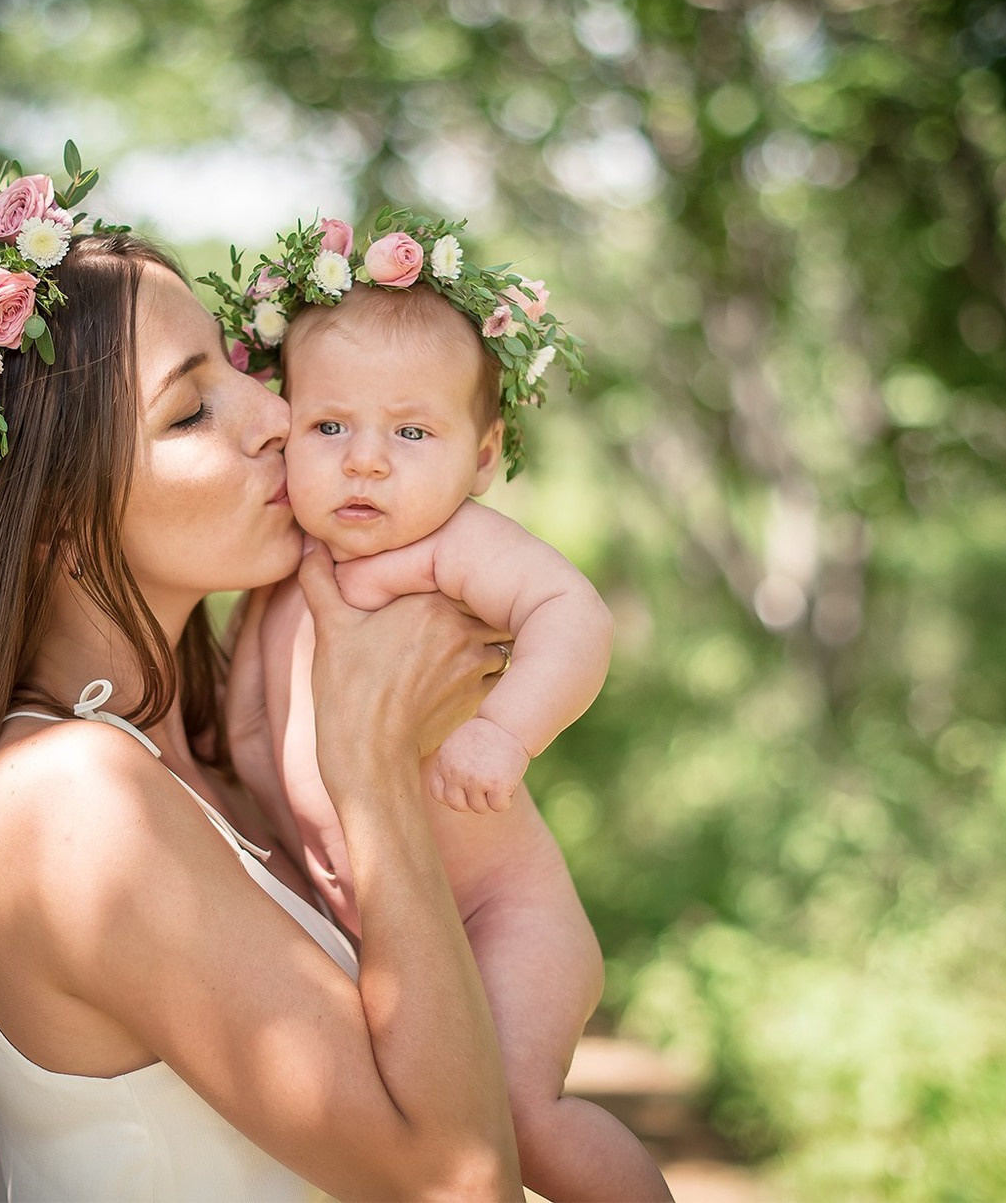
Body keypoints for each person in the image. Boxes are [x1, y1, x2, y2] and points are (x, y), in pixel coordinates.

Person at [0, 151, 522, 1201]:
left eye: (235, 369)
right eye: (190, 412)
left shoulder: (210, 760)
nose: (276, 415)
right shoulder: (71, 801)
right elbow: (458, 1181)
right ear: (53, 512)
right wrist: (368, 767)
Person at [208, 214, 673, 1202]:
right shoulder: (279, 570)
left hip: (501, 914)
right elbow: (247, 725)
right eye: (330, 426)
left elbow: (572, 615)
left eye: (411, 432)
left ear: (483, 453)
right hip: (376, 923)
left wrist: (505, 731)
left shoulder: (451, 545)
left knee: (518, 1122)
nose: (366, 461)